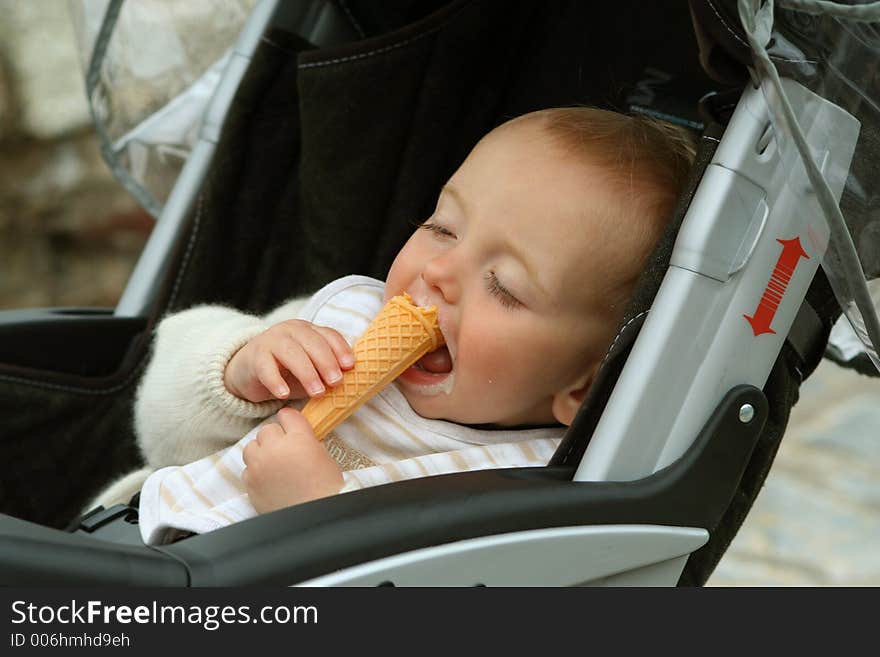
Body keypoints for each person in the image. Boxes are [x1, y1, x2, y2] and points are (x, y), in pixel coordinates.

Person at [94, 107, 696, 543]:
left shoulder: (527, 493)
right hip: (125, 545)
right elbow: (162, 434)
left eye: (503, 286)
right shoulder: (344, 326)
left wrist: (318, 515)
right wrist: (236, 370)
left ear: (581, 388)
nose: (438, 272)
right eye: (441, 228)